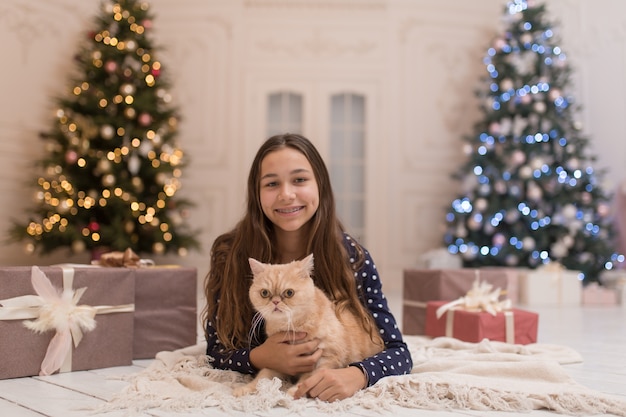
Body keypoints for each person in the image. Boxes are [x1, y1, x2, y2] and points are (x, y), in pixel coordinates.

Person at [203, 133, 412, 402]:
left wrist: (358, 374)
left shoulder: (351, 256)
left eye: (300, 180)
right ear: (256, 193)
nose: (287, 194)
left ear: (320, 185)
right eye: (271, 183)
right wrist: (260, 356)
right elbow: (215, 351)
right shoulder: (230, 253)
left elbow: (397, 351)